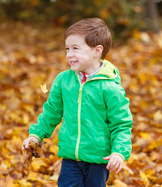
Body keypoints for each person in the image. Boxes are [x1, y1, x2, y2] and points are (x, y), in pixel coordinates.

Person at [22, 18, 133, 187]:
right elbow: (52, 112)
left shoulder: (110, 87)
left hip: (98, 159)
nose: (69, 54)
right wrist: (36, 134)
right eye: (67, 49)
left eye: (75, 48)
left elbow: (121, 124)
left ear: (97, 51)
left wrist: (119, 152)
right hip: (70, 158)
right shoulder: (63, 81)